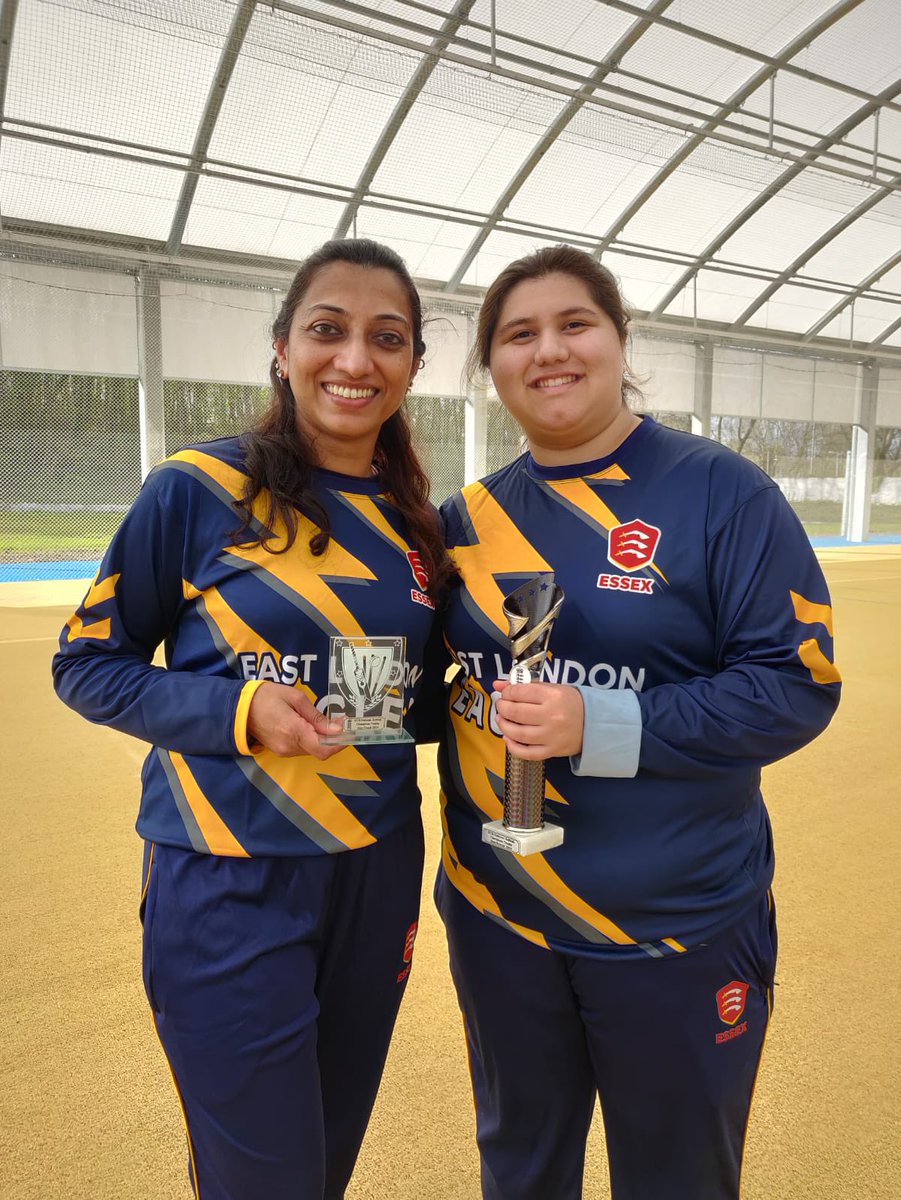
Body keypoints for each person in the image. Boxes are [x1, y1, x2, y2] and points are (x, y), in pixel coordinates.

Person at [435, 244, 841, 1200]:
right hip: (501, 919)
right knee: (521, 1170)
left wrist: (600, 723)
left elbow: (794, 685)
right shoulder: (464, 519)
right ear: (490, 367)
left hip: (673, 927)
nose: (548, 352)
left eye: (573, 324)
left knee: (676, 1181)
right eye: (517, 335)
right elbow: (434, 685)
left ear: (621, 340)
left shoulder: (719, 493)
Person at [52, 238, 455, 1200]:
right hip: (225, 878)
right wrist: (238, 711)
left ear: (410, 366)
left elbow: (414, 704)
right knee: (262, 1179)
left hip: (376, 866)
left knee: (323, 1163)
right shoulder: (196, 489)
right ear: (282, 347)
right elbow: (87, 666)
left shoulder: (418, 522)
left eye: (385, 338)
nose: (354, 360)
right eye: (328, 330)